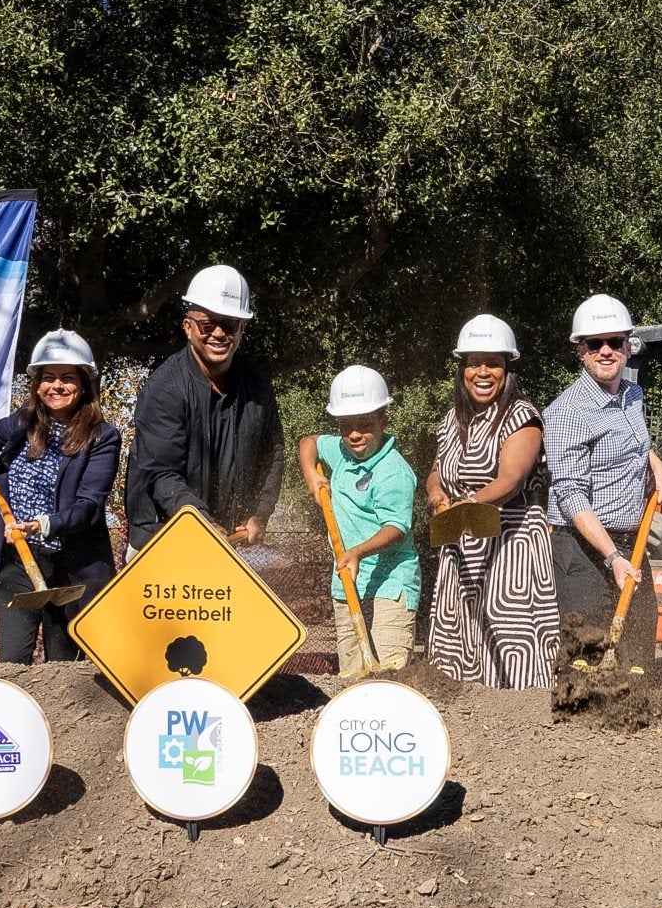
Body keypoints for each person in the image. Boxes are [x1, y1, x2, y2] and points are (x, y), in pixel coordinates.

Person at [425, 315, 560, 688]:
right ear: (462, 369)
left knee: (509, 641)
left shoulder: (522, 416)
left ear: (507, 369)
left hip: (510, 544)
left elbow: (511, 479)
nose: (482, 372)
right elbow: (437, 471)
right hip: (461, 544)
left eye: (493, 363)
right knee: (460, 639)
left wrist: (464, 503)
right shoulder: (452, 419)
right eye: (473, 363)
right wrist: (438, 498)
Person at [0, 330, 122, 662]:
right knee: (10, 664)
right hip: (18, 562)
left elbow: (87, 507)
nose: (56, 386)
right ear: (37, 385)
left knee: (62, 669)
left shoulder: (103, 437)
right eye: (48, 377)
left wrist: (40, 525)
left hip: (72, 570)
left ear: (84, 384)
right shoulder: (21, 423)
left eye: (67, 378)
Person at [544, 294, 662, 667]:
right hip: (584, 548)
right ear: (580, 351)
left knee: (638, 649)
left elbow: (630, 442)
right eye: (594, 344)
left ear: (627, 347)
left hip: (632, 540)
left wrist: (654, 461)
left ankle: (637, 719)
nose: (605, 351)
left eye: (614, 342)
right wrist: (612, 556)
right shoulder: (568, 412)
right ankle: (577, 722)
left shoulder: (634, 395)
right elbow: (570, 494)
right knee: (586, 652)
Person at [124, 264, 285, 554]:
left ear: (243, 328)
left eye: (230, 323)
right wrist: (200, 519)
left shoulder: (258, 382)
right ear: (188, 327)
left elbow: (271, 454)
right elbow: (160, 473)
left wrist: (260, 512)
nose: (219, 334)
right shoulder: (164, 388)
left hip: (228, 544)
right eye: (207, 324)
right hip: (162, 542)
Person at [295, 364, 420, 675]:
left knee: (390, 676)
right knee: (352, 675)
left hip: (389, 586)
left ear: (383, 419)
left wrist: (358, 552)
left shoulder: (394, 471)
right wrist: (312, 474)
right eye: (346, 425)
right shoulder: (341, 452)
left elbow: (396, 527)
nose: (353, 434)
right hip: (348, 581)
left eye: (364, 424)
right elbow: (308, 442)